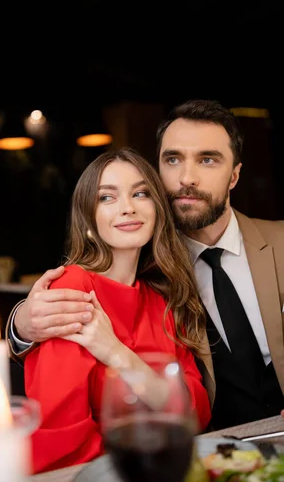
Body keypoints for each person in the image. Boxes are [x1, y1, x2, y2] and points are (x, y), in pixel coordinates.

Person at [6, 99, 284, 429]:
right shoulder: (147, 268)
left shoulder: (279, 244)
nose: (187, 177)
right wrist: (20, 325)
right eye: (173, 160)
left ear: (234, 175)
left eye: (207, 160)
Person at [24, 147, 211, 473]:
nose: (128, 208)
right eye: (107, 198)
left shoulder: (161, 298)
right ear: (88, 217)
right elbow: (60, 441)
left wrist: (117, 354)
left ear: (157, 209)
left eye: (140, 193)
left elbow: (195, 412)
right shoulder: (72, 289)